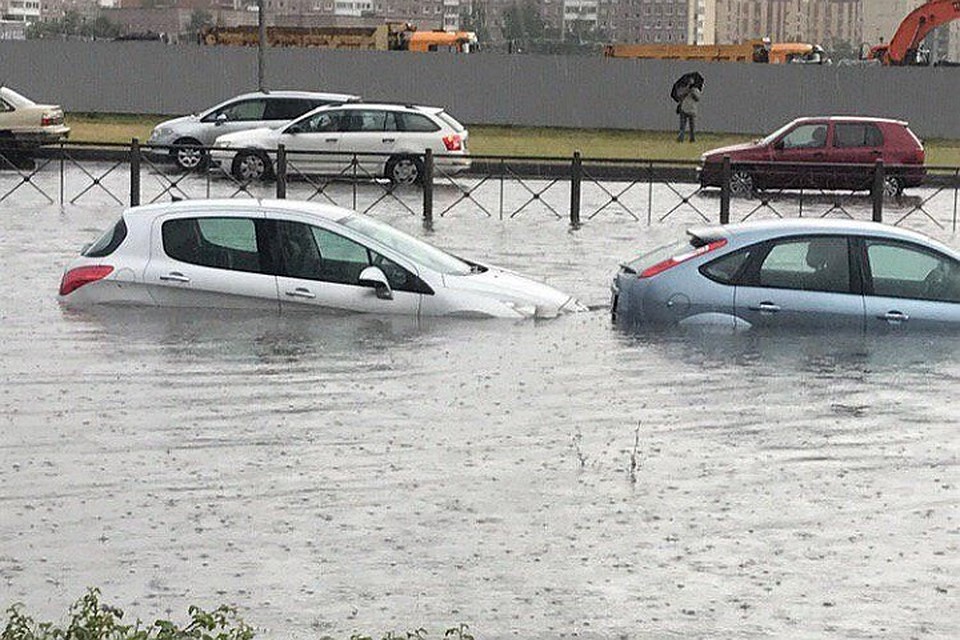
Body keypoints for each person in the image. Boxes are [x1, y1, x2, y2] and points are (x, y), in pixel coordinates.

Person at [676, 78, 701, 143]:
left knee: (692, 127)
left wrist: (692, 93)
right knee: (682, 126)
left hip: (692, 110)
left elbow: (697, 98)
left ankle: (692, 139)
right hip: (683, 109)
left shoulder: (696, 90)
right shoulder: (682, 89)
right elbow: (679, 96)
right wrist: (686, 91)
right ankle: (680, 138)